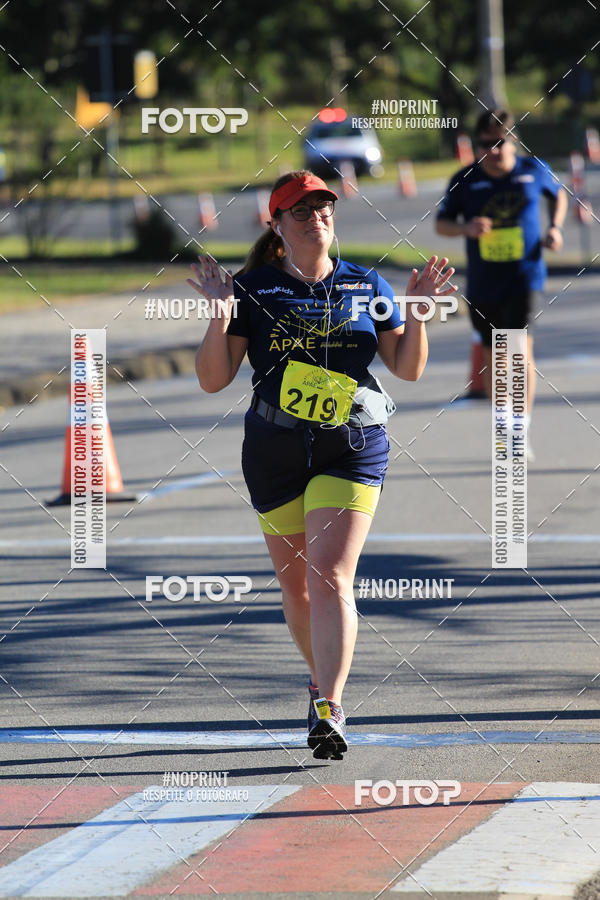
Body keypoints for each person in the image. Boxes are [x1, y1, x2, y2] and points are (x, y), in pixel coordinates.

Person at [188, 170, 456, 760]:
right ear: (278, 225)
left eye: (324, 207)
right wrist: (218, 313)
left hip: (351, 445)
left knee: (329, 575)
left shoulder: (365, 282)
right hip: (275, 450)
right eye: (302, 210)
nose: (317, 217)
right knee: (296, 588)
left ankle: (330, 708)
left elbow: (405, 368)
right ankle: (319, 682)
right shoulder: (252, 289)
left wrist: (419, 315)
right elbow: (213, 380)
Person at [435, 109, 567, 458]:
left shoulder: (533, 169)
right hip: (483, 282)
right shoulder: (465, 179)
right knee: (496, 358)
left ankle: (521, 429)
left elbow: (559, 196)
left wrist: (554, 227)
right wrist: (467, 228)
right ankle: (504, 424)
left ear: (513, 142)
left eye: (499, 143)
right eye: (485, 145)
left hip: (525, 276)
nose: (492, 151)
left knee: (519, 349)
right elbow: (442, 224)